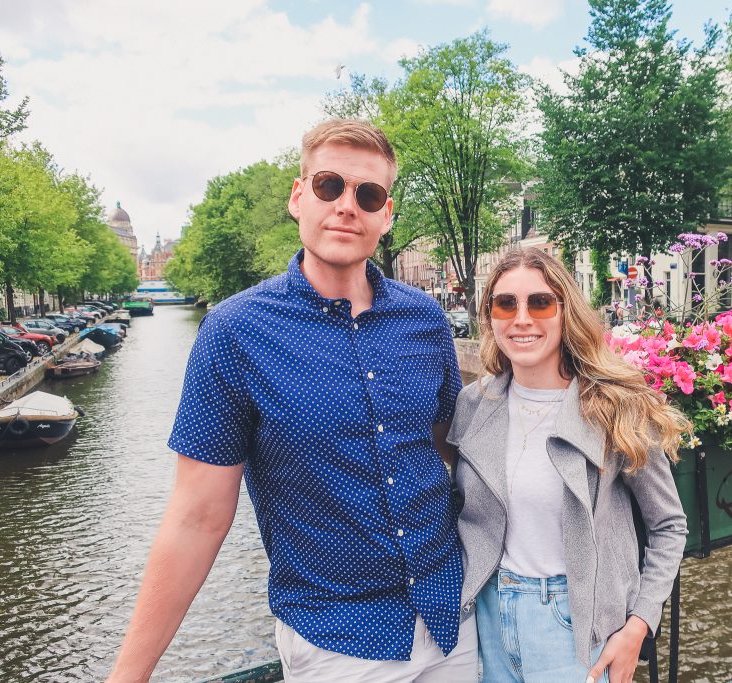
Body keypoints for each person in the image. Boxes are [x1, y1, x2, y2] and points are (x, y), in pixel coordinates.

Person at [107, 119, 476, 682]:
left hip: (454, 619)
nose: (347, 206)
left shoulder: (424, 321)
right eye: (330, 186)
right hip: (338, 642)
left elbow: (443, 453)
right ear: (298, 197)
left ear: (386, 213)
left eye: (368, 194)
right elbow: (198, 516)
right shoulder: (235, 331)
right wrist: (128, 674)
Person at [448, 247, 689, 683]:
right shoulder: (473, 404)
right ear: (490, 318)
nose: (521, 318)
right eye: (505, 304)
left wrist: (638, 625)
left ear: (565, 311)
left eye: (539, 302)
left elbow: (669, 526)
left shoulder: (615, 407)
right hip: (487, 619)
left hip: (575, 624)